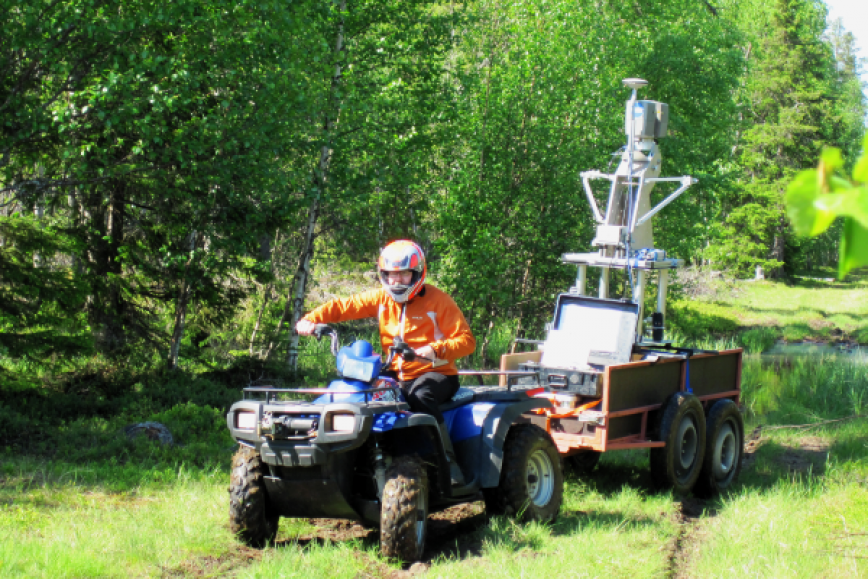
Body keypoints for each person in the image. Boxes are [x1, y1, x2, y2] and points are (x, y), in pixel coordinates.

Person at [296, 240, 476, 486]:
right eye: (391, 275)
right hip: (395, 372)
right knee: (362, 397)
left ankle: (444, 461)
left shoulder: (438, 301)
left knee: (419, 396)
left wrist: (431, 350)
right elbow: (344, 306)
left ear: (416, 274)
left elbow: (466, 342)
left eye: (403, 274)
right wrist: (311, 319)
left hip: (436, 372)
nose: (396, 281)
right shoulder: (382, 299)